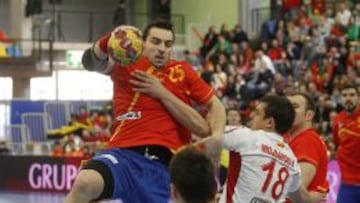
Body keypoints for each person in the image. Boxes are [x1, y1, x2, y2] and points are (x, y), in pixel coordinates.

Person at [64, 21, 226, 203]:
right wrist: (110, 39)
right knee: (85, 183)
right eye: (155, 42)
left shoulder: (183, 71)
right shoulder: (127, 62)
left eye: (168, 44)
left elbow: (215, 106)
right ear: (143, 42)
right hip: (123, 154)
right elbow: (90, 62)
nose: (162, 49)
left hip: (166, 166)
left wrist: (218, 135)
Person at [215, 95, 325, 203]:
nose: (252, 116)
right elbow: (299, 194)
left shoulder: (247, 137)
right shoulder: (290, 158)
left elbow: (210, 133)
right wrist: (311, 199)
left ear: (270, 122)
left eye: (257, 113)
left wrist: (213, 104)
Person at [286, 93, 329, 202]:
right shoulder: (291, 138)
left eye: (294, 106)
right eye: (286, 107)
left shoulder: (307, 141)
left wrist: (308, 199)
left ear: (309, 115)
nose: (288, 110)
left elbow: (295, 190)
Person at [332, 84, 360, 203]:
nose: (348, 98)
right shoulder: (337, 120)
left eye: (352, 95)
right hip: (347, 184)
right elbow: (338, 144)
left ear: (358, 98)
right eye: (344, 95)